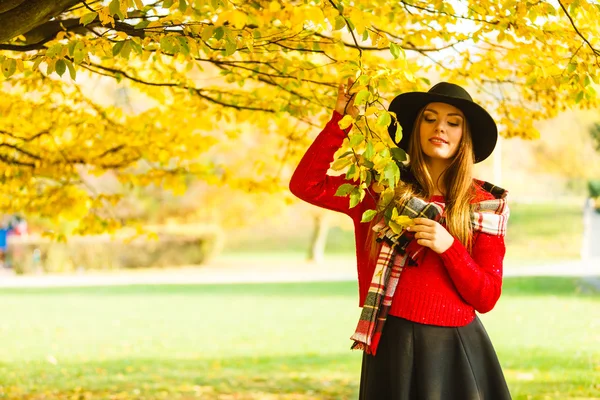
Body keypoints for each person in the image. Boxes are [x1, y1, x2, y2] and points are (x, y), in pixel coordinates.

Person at [289, 78, 512, 399]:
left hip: (454, 350)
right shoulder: (382, 190)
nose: (441, 128)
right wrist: (341, 121)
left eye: (453, 123)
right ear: (415, 128)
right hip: (391, 342)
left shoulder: (482, 205)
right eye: (430, 118)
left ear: (465, 136)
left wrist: (448, 247)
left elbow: (487, 297)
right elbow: (306, 185)